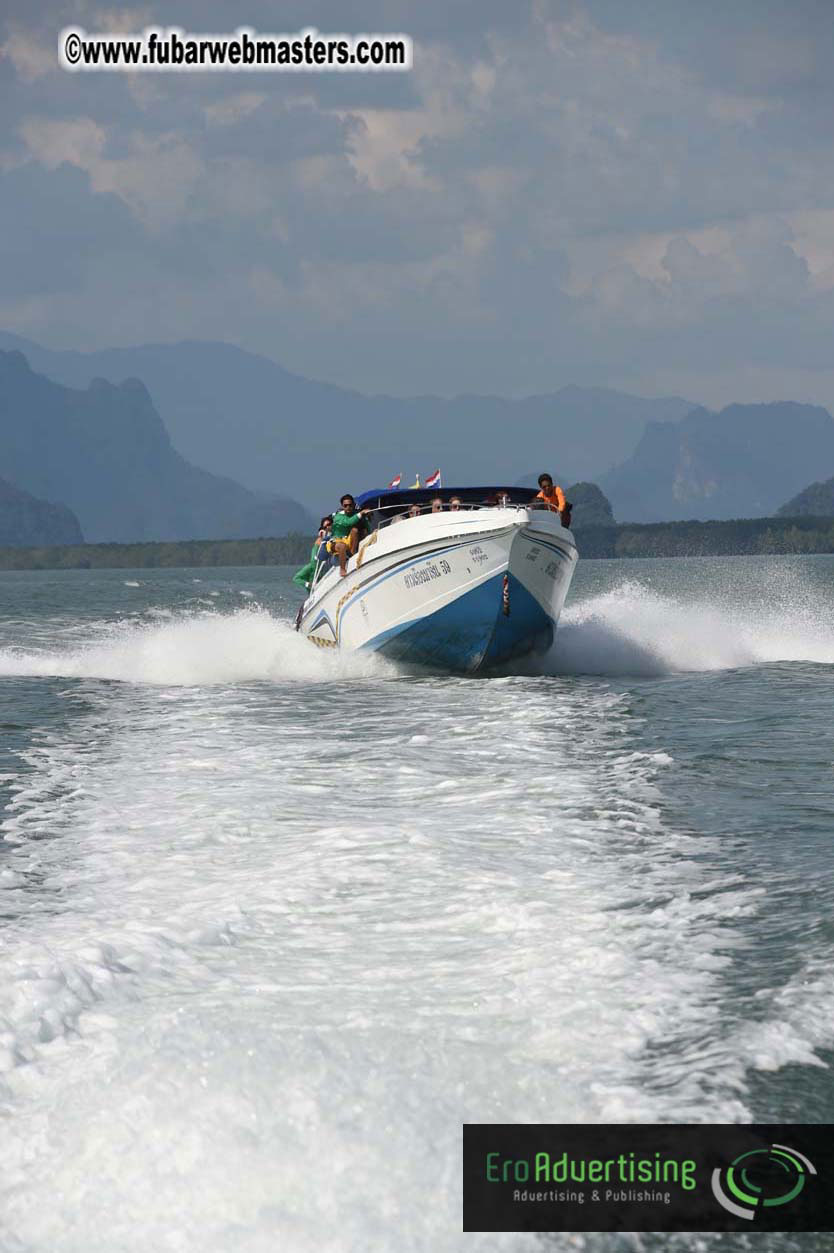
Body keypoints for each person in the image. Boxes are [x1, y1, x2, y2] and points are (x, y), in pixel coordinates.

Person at [327, 494, 368, 577]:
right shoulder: (338, 517)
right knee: (342, 546)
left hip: (347, 540)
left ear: (353, 505)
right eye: (345, 505)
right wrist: (361, 514)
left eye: (350, 505)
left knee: (355, 530)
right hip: (335, 542)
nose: (348, 507)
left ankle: (352, 553)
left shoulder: (355, 514)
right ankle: (342, 569)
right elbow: (348, 522)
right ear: (342, 506)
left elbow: (366, 526)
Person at [292, 516, 332, 590]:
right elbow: (296, 578)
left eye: (329, 525)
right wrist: (308, 584)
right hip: (314, 590)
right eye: (325, 527)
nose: (327, 528)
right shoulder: (311, 566)